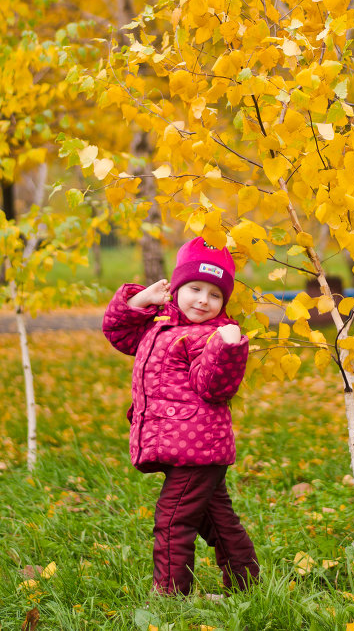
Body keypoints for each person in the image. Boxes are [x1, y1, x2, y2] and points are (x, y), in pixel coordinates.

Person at [102, 236, 259, 596]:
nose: (203, 300)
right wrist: (140, 300)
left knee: (172, 520)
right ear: (176, 288)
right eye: (194, 288)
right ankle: (247, 585)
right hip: (183, 448)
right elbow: (117, 332)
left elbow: (214, 387)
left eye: (215, 294)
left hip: (198, 451)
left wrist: (228, 348)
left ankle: (171, 596)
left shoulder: (211, 335)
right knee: (219, 521)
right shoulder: (159, 324)